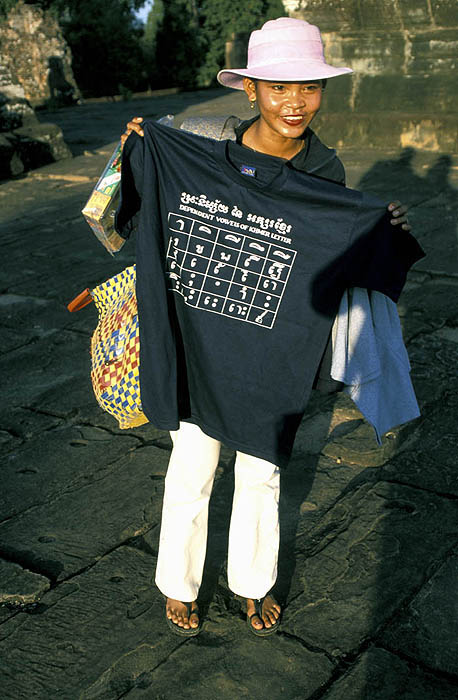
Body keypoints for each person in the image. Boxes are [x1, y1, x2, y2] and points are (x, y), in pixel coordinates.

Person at [118, 17, 415, 637]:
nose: (294, 102)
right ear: (249, 90)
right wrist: (136, 154)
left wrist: (372, 227)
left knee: (261, 468)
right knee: (191, 467)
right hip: (195, 336)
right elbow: (117, 218)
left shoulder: (325, 170)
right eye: (278, 87)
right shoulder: (194, 140)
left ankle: (252, 583)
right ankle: (179, 581)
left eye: (309, 87)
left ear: (322, 93)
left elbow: (324, 244)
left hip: (266, 343)